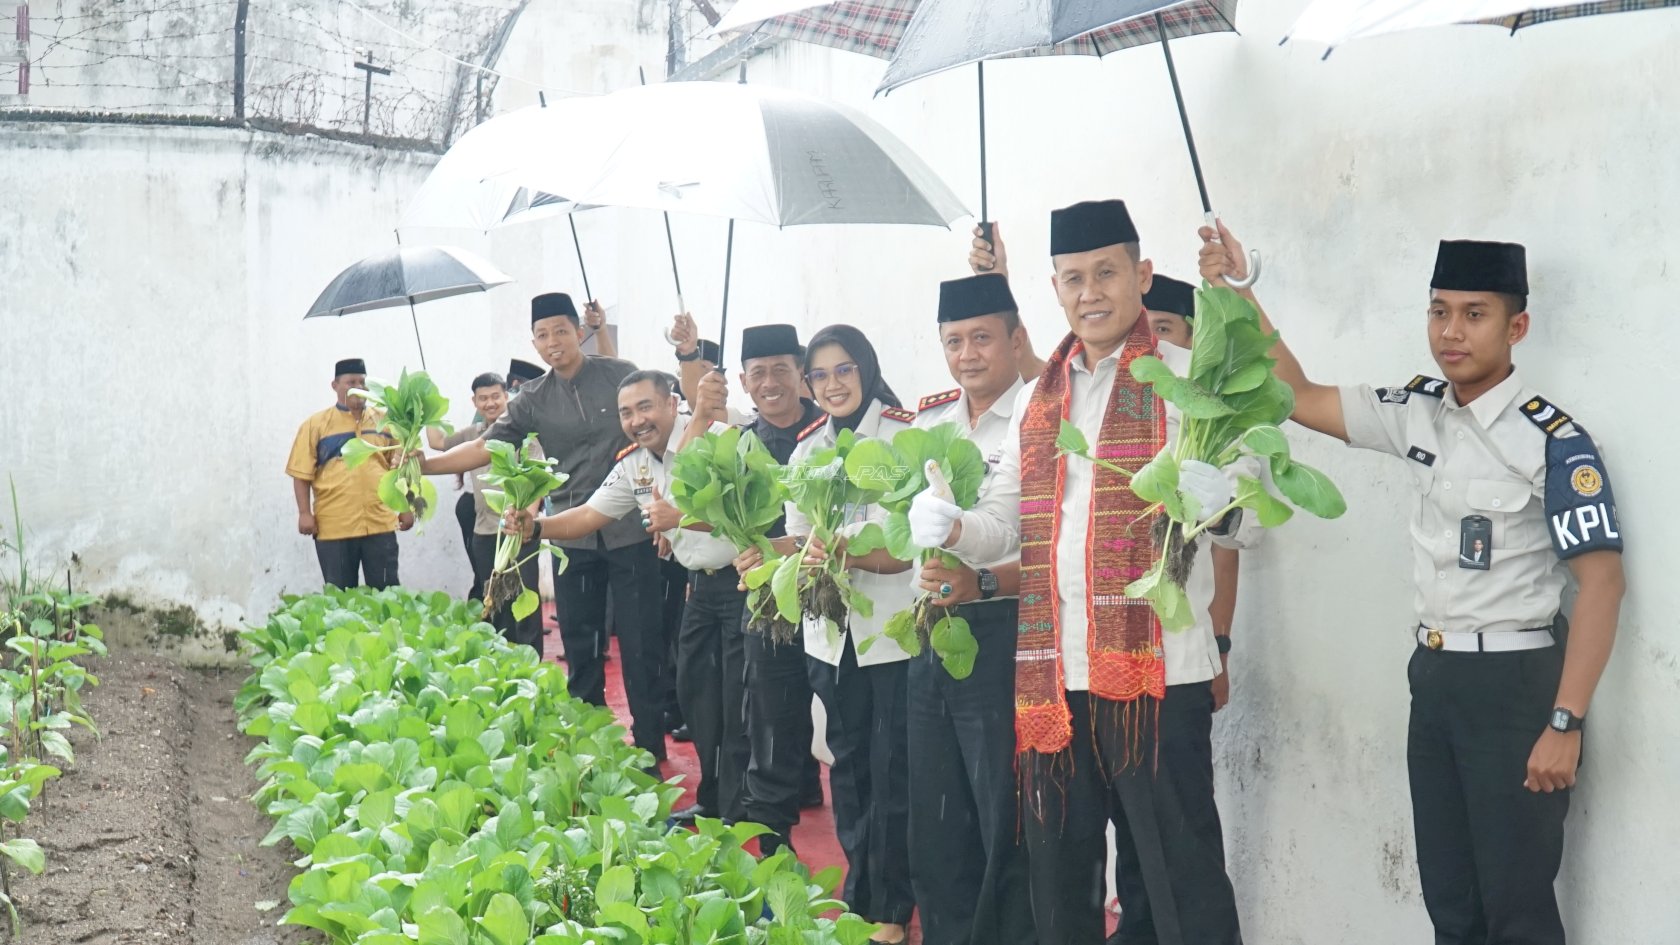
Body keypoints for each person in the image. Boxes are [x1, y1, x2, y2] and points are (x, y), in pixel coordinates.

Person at [1199, 224, 1626, 945]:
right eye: (1439, 311)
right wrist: (1238, 291)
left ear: (1517, 327)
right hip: (1434, 677)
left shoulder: (1552, 441)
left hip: (1516, 687)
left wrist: (1566, 721)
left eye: (1474, 314)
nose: (1451, 331)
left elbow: (1603, 585)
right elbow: (1295, 394)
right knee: (1450, 902)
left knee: (1516, 910)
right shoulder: (1417, 410)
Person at [911, 200, 1254, 945]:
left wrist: (1219, 500)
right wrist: (953, 526)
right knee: (1060, 875)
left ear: (1142, 275)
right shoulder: (1042, 397)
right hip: (1057, 676)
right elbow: (1007, 523)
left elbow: (1247, 511)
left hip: (1159, 670)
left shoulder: (1190, 379)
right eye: (1074, 278)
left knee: (1178, 876)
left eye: (1106, 273)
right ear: (1056, 288)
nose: (1090, 293)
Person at [417, 292, 671, 768]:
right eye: (542, 335)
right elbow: (487, 447)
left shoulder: (618, 375)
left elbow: (658, 422)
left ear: (579, 331)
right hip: (571, 534)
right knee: (580, 644)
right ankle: (590, 750)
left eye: (561, 331)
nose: (553, 342)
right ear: (533, 343)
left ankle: (650, 750)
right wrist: (428, 465)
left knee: (642, 646)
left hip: (632, 530)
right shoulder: (531, 398)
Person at [503, 370, 736, 785]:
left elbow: (743, 515)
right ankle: (715, 796)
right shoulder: (635, 463)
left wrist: (680, 518)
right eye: (626, 413)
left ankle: (745, 802)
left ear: (672, 403)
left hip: (742, 584)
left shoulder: (720, 436)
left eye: (645, 407)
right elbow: (589, 515)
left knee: (736, 698)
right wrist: (535, 526)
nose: (636, 420)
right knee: (698, 693)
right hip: (700, 587)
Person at [902, 273, 1036, 945]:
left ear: (1015, 339)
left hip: (1001, 622)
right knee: (936, 810)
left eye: (981, 338)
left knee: (1002, 811)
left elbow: (1007, 529)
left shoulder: (1038, 414)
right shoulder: (929, 424)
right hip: (933, 630)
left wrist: (955, 537)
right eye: (953, 341)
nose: (967, 355)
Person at [779, 325, 918, 944]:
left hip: (889, 634)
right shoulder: (807, 449)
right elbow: (797, 534)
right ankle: (863, 893)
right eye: (820, 375)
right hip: (829, 637)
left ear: (866, 368)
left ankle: (892, 907)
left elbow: (910, 541)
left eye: (844, 370)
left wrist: (849, 551)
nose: (832, 384)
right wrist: (784, 553)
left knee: (891, 771)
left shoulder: (902, 435)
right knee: (849, 767)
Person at [716, 324, 829, 857]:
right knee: (770, 727)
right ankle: (773, 852)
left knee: (847, 729)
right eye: (757, 373)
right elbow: (696, 505)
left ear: (801, 373)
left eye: (781, 369)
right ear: (743, 381)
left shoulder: (830, 432)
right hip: (767, 607)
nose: (770, 383)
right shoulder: (735, 446)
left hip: (832, 601)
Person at [1143, 273, 1242, 712]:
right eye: (1142, 331)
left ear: (1193, 340)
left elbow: (1226, 544)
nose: (1152, 344)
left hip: (1181, 654)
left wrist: (1220, 646)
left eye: (1163, 328)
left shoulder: (1211, 415)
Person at [431, 372, 547, 651]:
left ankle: (531, 661)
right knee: (495, 602)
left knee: (525, 602)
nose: (490, 403)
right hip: (484, 533)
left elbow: (538, 481)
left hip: (518, 532)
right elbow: (437, 443)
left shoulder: (525, 434)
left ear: (506, 396)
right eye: (483, 398)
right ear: (475, 402)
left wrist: (527, 521)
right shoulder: (472, 435)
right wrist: (428, 404)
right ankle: (501, 657)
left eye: (496, 396)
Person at [287, 357, 413, 590]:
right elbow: (301, 475)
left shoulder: (386, 422)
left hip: (380, 523)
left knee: (387, 593)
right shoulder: (316, 425)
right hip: (334, 526)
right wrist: (304, 513)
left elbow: (399, 470)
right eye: (351, 382)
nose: (358, 387)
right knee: (340, 596)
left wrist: (405, 507)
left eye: (362, 382)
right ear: (335, 385)